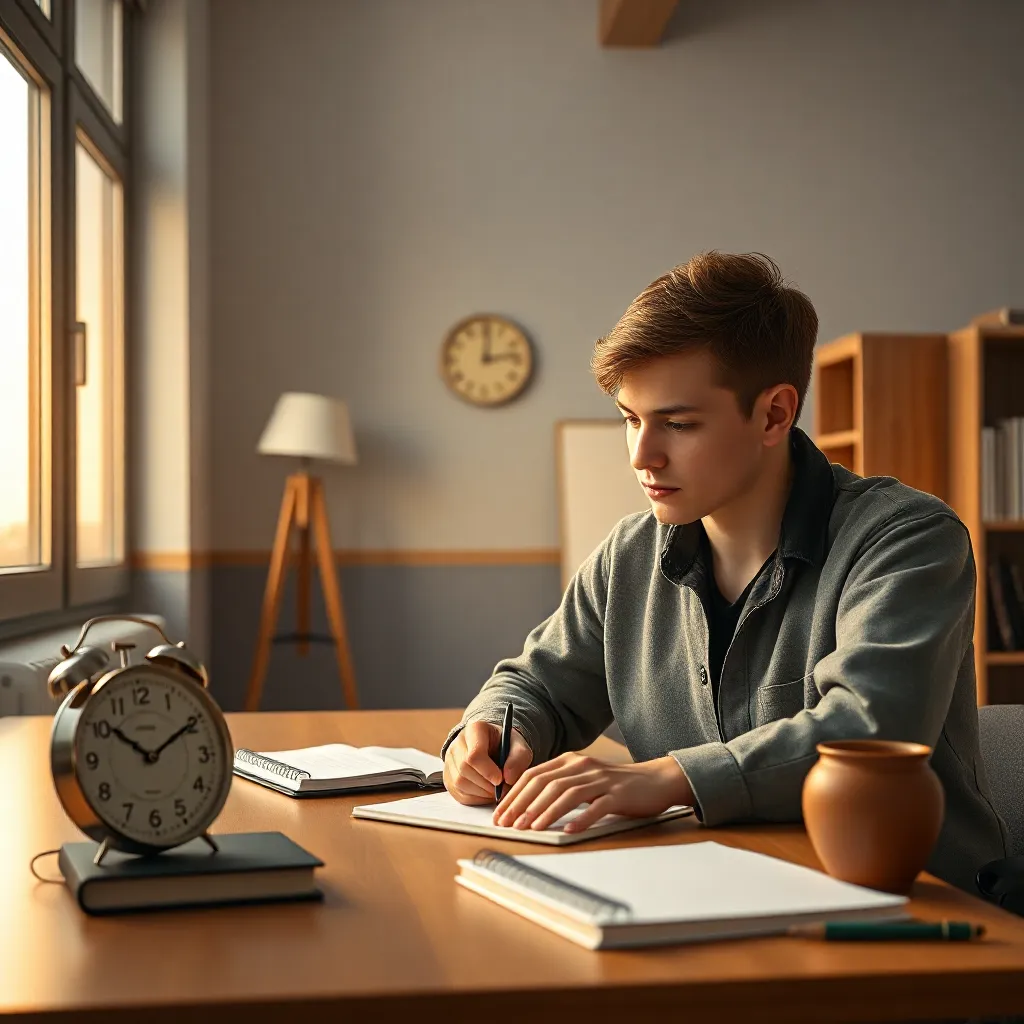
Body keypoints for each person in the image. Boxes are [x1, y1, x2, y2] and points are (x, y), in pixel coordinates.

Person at [441, 251, 1007, 892]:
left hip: (912, 911)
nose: (641, 455)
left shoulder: (907, 539)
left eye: (678, 423)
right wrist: (493, 729)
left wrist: (666, 778)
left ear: (774, 414)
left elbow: (870, 731)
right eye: (630, 418)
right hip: (704, 888)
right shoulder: (628, 554)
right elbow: (536, 683)